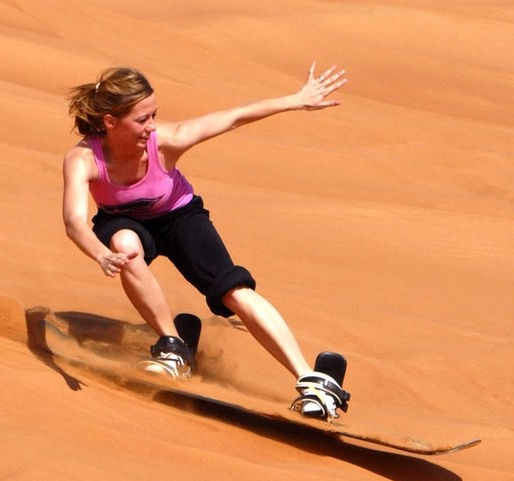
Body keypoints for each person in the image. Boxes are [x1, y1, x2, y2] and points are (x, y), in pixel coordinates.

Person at [62, 62, 350, 419]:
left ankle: (313, 380)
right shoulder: (83, 159)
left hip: (180, 217)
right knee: (125, 246)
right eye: (141, 119)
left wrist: (296, 99)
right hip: (121, 220)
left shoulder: (167, 141)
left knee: (233, 289)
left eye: (154, 115)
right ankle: (173, 346)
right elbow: (74, 221)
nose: (151, 126)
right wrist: (99, 254)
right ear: (109, 121)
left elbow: (233, 117)